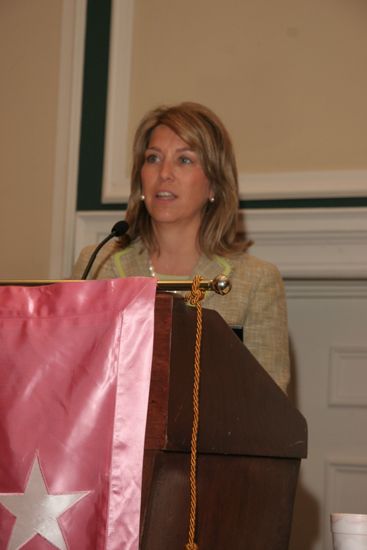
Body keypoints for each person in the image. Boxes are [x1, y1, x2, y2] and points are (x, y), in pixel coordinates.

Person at [72, 102, 290, 393]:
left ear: (214, 185)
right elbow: (70, 378)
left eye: (184, 160)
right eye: (153, 158)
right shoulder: (99, 264)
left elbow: (269, 409)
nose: (164, 173)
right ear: (140, 179)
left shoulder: (255, 281)